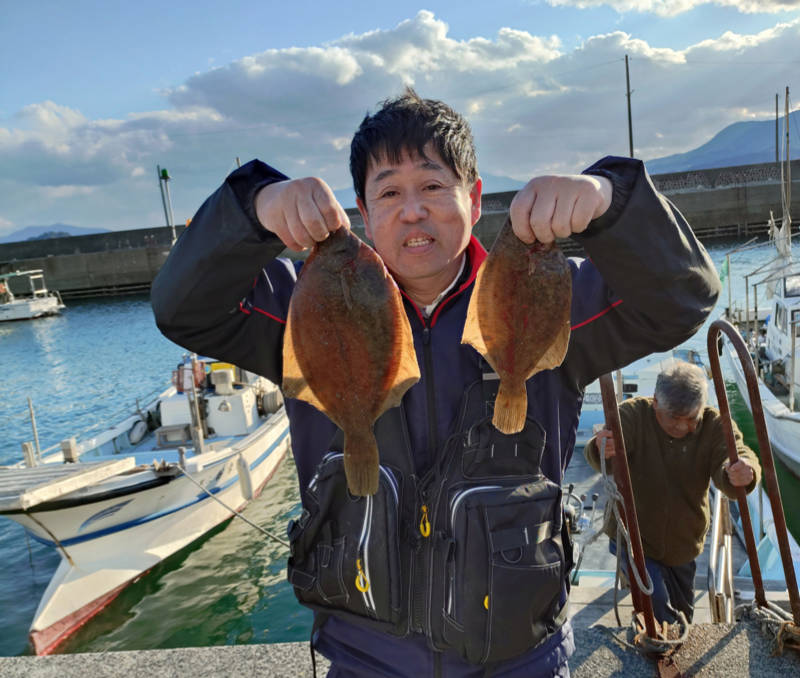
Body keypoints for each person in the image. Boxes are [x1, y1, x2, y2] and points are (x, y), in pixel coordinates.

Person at [151, 89, 721, 677]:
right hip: (363, 656)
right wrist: (255, 206)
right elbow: (182, 309)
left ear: (473, 198)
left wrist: (610, 198)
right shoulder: (301, 303)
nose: (413, 210)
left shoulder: (551, 291)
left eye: (432, 186)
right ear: (362, 212)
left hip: (521, 656)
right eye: (389, 192)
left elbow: (683, 297)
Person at [583, 360, 761, 626]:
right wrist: (600, 448)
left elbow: (736, 454)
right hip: (635, 538)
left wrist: (743, 472)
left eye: (691, 419)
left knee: (683, 616)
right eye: (674, 419)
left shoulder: (714, 425)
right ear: (655, 403)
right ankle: (656, 647)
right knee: (656, 610)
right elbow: (600, 451)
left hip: (684, 543)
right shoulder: (631, 415)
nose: (681, 427)